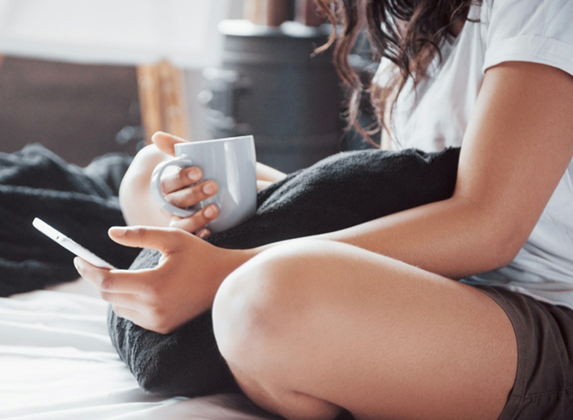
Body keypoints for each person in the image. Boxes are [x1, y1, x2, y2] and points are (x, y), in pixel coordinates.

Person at [75, 0, 573, 418]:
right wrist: (202, 190)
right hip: (437, 284)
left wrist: (224, 270)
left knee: (261, 300)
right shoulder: (412, 21)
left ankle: (247, 324)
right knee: (149, 171)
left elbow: (488, 226)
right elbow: (398, 192)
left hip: (541, 311)